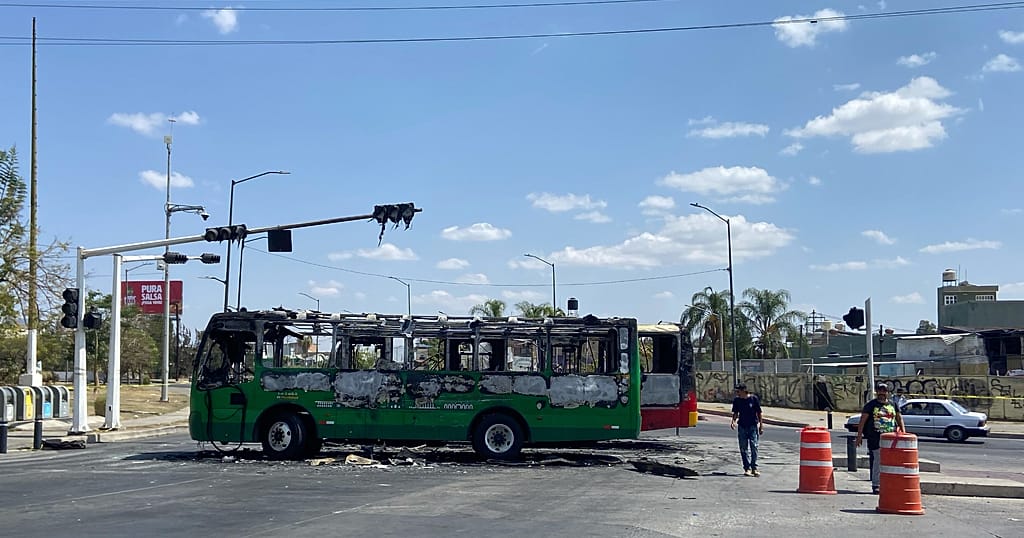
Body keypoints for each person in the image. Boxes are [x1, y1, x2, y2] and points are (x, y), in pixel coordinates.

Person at [855, 383, 905, 494]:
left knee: (890, 461)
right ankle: (876, 484)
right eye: (880, 391)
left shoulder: (893, 404)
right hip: (875, 437)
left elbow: (899, 418)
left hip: (891, 438)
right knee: (878, 460)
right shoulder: (871, 405)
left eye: (884, 391)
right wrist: (859, 436)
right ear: (877, 392)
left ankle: (888, 482)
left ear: (888, 392)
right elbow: (862, 421)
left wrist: (903, 433)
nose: (882, 393)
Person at [730, 383, 764, 477]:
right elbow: (735, 412)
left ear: (744, 390)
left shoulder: (753, 399)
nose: (737, 393)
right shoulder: (737, 400)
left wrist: (761, 425)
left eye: (738, 391)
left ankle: (754, 468)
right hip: (742, 426)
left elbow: (759, 412)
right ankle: (747, 468)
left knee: (754, 446)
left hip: (752, 426)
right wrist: (733, 421)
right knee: (743, 448)